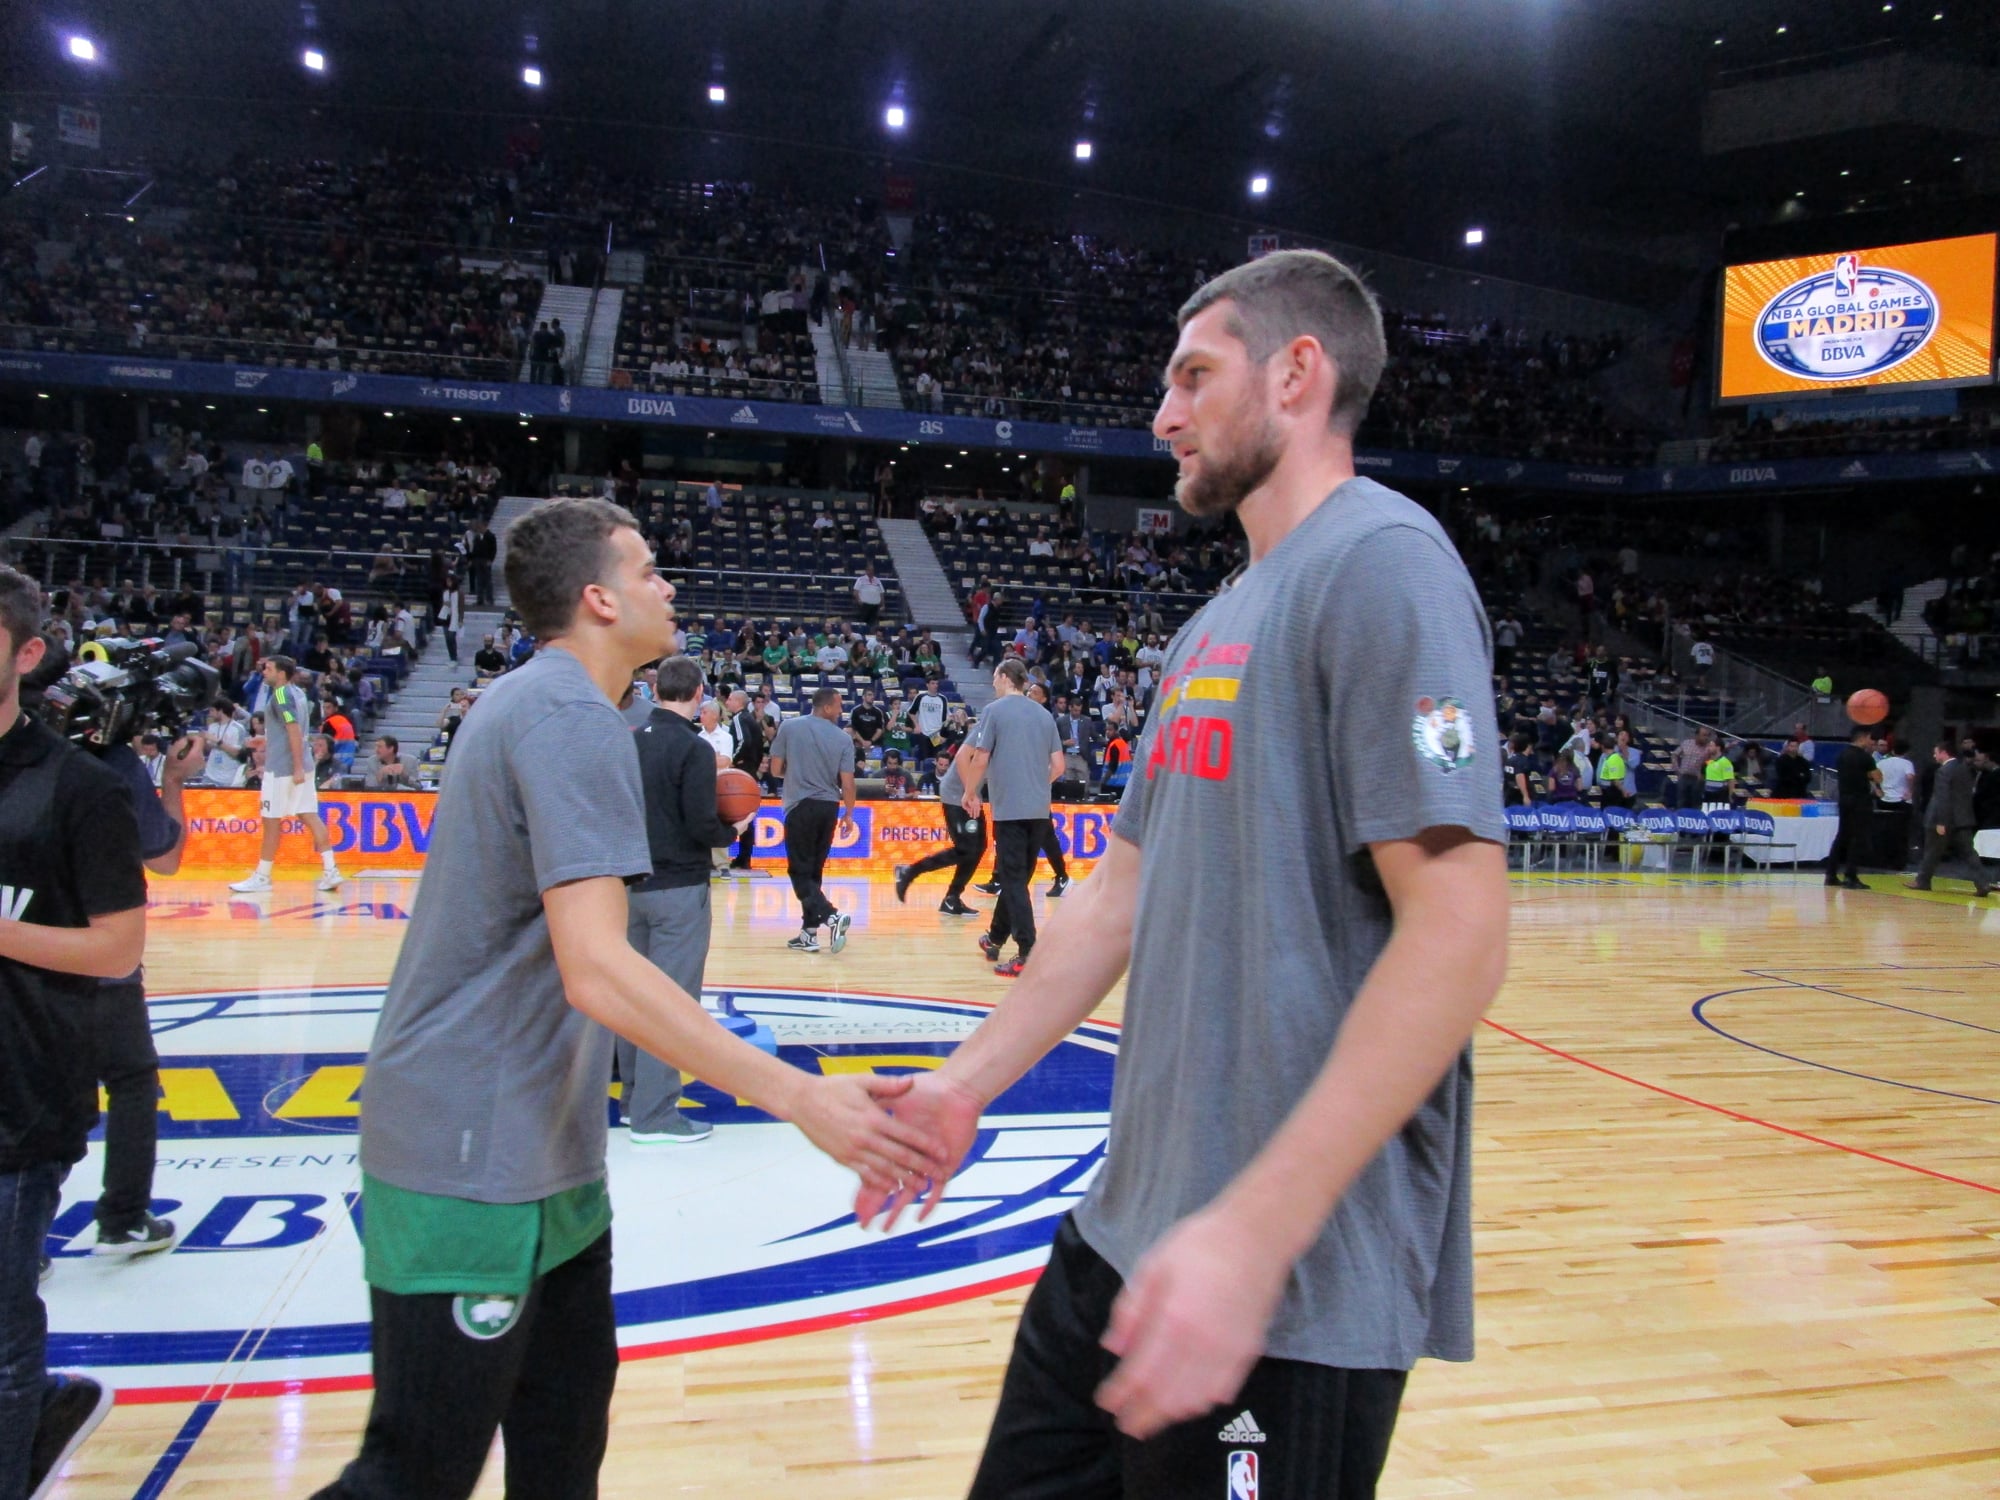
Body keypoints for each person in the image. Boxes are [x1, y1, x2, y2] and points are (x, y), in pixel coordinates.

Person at [857, 250, 1509, 1496]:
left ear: (1296, 374)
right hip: (1121, 1240)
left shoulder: (1384, 567)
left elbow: (1459, 932)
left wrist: (1253, 1237)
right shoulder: (1216, 621)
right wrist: (961, 1088)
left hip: (1277, 1291)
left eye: (1193, 377)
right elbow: (1115, 903)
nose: (1162, 414)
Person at [308, 499, 937, 1500]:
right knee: (413, 1474)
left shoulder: (561, 709)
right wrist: (800, 1096)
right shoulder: (562, 714)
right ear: (598, 599)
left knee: (562, 1455)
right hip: (469, 1148)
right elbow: (596, 969)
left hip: (545, 1150)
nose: (669, 586)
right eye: (648, 570)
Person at [0, 569, 149, 1496]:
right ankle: (50, 1408)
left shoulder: (74, 787)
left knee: (4, 1336)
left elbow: (117, 949)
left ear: (25, 654)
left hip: (18, 1097)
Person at [618, 658, 753, 1145]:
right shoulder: (694, 748)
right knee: (673, 1003)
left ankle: (634, 1103)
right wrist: (732, 831)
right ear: (699, 692)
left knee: (635, 999)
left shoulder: (631, 740)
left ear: (657, 690)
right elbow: (700, 823)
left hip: (631, 887)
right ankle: (656, 1116)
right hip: (678, 889)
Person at [956, 659, 1065, 976]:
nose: (992, 684)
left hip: (1011, 811)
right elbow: (1058, 766)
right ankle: (994, 938)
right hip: (1038, 811)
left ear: (1005, 678)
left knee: (1013, 879)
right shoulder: (1044, 715)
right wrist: (1035, 783)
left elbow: (981, 757)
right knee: (1017, 878)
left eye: (994, 678)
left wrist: (970, 792)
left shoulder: (995, 711)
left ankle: (1028, 951)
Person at [229, 656, 345, 893]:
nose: (264, 672)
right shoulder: (298, 693)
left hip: (283, 768)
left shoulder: (281, 694)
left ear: (281, 673)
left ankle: (262, 876)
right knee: (310, 816)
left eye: (269, 668)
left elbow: (292, 729)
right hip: (301, 762)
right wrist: (271, 740)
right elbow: (293, 730)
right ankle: (331, 871)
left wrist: (296, 768)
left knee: (271, 821)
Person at [768, 687, 857, 954]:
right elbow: (848, 783)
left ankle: (831, 916)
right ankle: (809, 934)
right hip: (829, 807)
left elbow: (775, 769)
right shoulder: (843, 738)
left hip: (800, 806)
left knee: (799, 871)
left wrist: (797, 771)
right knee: (814, 871)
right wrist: (849, 814)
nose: (841, 711)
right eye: (839, 705)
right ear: (827, 707)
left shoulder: (790, 727)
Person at [894, 746, 988, 916]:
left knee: (978, 848)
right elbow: (961, 757)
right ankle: (910, 872)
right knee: (967, 849)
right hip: (958, 795)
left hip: (971, 795)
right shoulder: (987, 726)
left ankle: (952, 899)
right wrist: (971, 793)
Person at [1905, 739, 1991, 896]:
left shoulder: (1943, 771)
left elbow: (1942, 798)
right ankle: (1983, 883)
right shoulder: (1965, 768)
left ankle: (1922, 881)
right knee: (1969, 853)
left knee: (1932, 851)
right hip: (1963, 819)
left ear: (1944, 753)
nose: (1934, 755)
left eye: (1936, 752)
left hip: (1943, 819)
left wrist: (1941, 821)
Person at [1825, 726, 1879, 889]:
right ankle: (1851, 875)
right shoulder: (1865, 757)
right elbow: (1877, 776)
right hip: (1860, 800)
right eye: (1870, 739)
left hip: (1844, 799)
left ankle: (1831, 874)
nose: (1871, 743)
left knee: (1841, 836)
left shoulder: (1842, 755)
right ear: (1863, 738)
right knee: (1857, 838)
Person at [727, 689, 768, 876]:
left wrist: (732, 760)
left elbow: (744, 741)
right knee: (747, 815)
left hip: (742, 770)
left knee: (738, 814)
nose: (727, 703)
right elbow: (759, 745)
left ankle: (742, 857)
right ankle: (744, 857)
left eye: (729, 699)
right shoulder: (750, 719)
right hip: (751, 770)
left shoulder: (739, 719)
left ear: (738, 702)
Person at [852, 565, 886, 629]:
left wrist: (883, 604)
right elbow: (855, 592)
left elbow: (881, 593)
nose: (871, 572)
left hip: (875, 606)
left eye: (872, 570)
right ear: (866, 571)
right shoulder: (860, 579)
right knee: (863, 621)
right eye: (870, 570)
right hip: (864, 605)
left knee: (872, 623)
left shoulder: (877, 580)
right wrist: (859, 601)